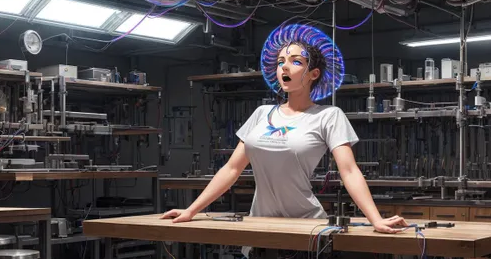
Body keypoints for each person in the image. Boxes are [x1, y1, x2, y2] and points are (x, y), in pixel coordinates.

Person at [162, 24, 408, 233]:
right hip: (261, 223)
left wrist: (375, 219)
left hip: (307, 224)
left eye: (295, 61)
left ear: (313, 74)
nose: (284, 67)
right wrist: (192, 209)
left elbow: (350, 172)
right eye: (281, 62)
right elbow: (231, 169)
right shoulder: (261, 114)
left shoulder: (328, 116)